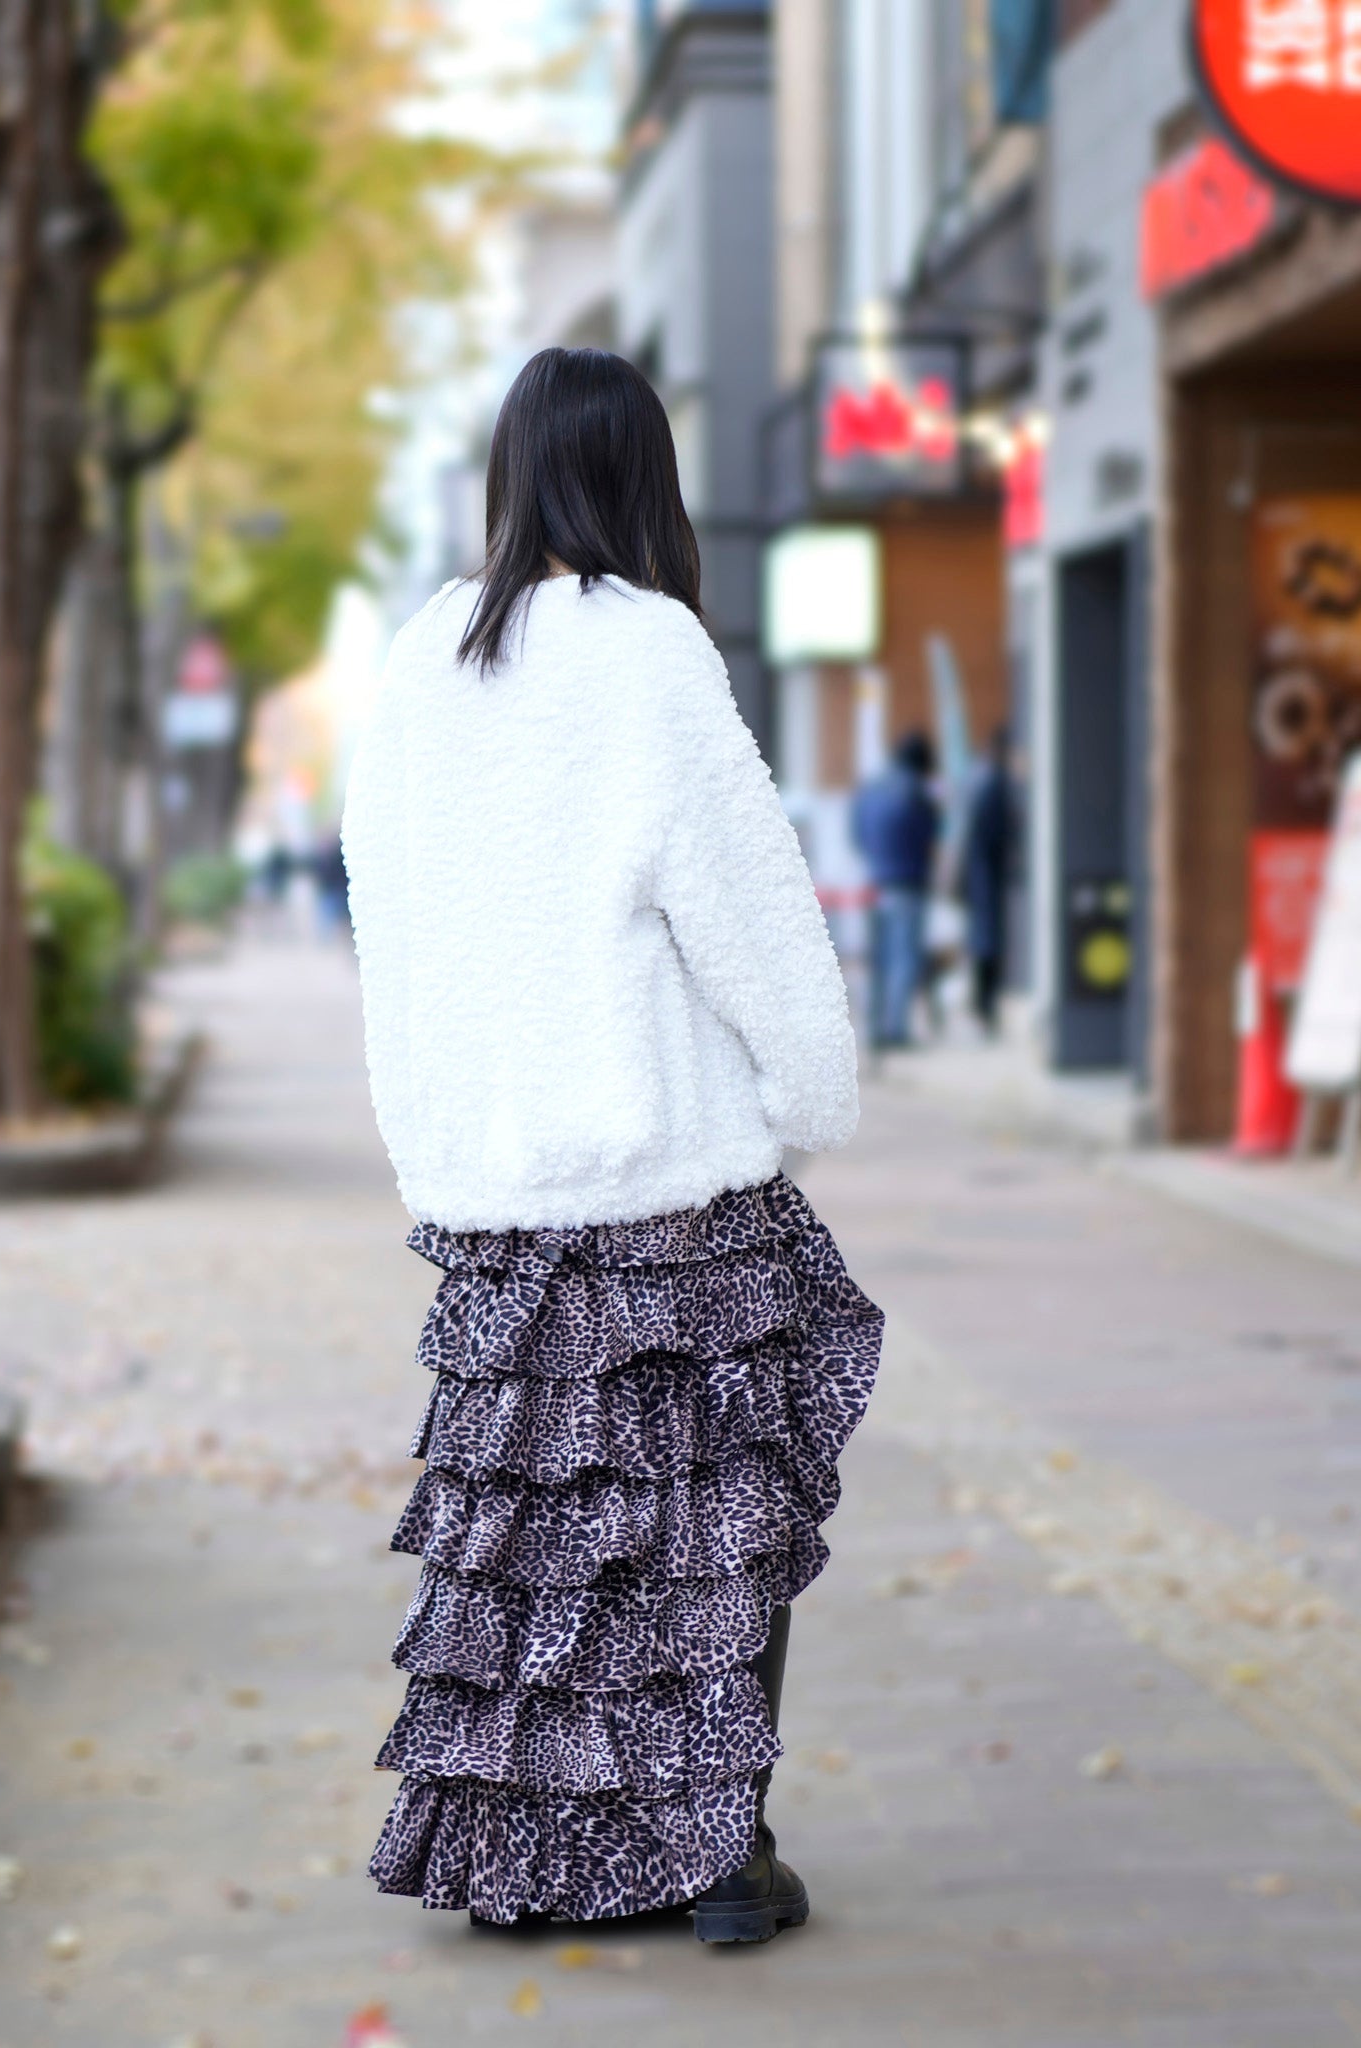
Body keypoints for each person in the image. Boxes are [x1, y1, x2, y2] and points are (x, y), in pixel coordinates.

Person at [341, 348, 883, 1944]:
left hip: (496, 1196)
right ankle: (718, 1858)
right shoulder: (648, 651)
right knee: (723, 1510)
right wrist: (813, 1092)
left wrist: (427, 1135)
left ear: (512, 472)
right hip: (667, 1184)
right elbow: (749, 906)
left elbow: (389, 920)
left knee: (536, 1553)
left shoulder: (418, 657)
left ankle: (529, 1862)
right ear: (644, 477)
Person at [851, 731, 942, 1049]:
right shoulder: (917, 792)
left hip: (874, 883)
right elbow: (930, 836)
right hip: (907, 884)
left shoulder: (870, 788)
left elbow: (857, 835)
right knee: (904, 959)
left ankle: (875, 1028)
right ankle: (895, 1030)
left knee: (878, 961)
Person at [962, 728, 1016, 1034]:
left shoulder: (977, 780)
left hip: (979, 872)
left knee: (983, 938)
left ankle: (982, 1003)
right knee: (988, 940)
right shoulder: (992, 783)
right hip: (987, 873)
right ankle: (984, 1005)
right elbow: (994, 832)